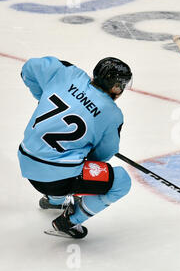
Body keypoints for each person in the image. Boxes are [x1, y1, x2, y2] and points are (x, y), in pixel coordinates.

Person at [18, 56, 133, 238]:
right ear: (116, 87)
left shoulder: (68, 73)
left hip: (26, 161)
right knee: (121, 181)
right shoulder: (112, 113)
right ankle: (70, 220)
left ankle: (55, 200)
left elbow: (29, 68)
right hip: (59, 180)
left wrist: (42, 97)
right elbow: (102, 155)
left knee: (63, 163)